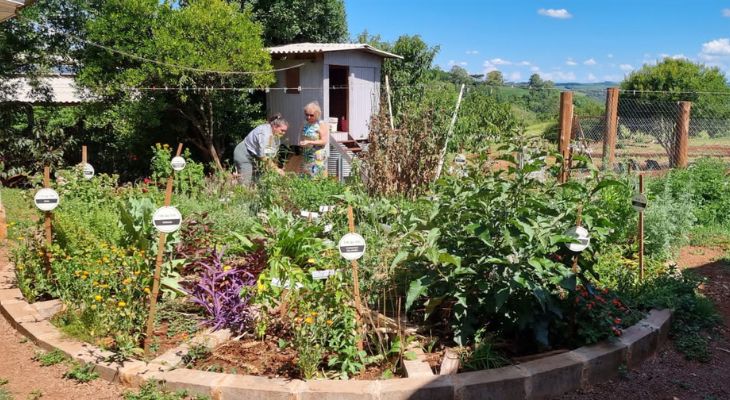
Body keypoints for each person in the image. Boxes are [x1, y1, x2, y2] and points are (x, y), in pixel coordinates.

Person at [233, 114, 288, 185]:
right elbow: (264, 157)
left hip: (256, 156)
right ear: (274, 127)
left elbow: (270, 156)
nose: (284, 133)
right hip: (244, 154)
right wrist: (277, 169)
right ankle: (235, 187)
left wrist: (274, 167)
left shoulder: (275, 137)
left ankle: (238, 183)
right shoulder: (265, 134)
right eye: (282, 130)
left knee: (260, 180)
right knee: (246, 182)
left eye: (285, 131)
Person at [299, 101, 329, 177]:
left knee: (316, 176)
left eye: (311, 115)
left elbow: (324, 141)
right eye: (306, 114)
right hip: (306, 154)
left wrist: (309, 142)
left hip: (317, 155)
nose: (308, 117)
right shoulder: (305, 123)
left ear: (317, 114)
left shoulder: (320, 124)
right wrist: (301, 143)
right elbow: (302, 136)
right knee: (306, 176)